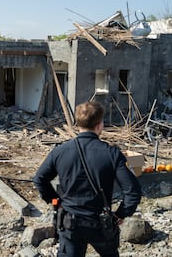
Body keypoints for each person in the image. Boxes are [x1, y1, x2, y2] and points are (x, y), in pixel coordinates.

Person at [33, 101, 141, 257]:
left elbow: (39, 179)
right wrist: (120, 214)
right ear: (99, 125)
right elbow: (133, 190)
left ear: (77, 124)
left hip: (69, 223)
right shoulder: (111, 154)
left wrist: (55, 201)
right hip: (100, 224)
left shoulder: (60, 151)